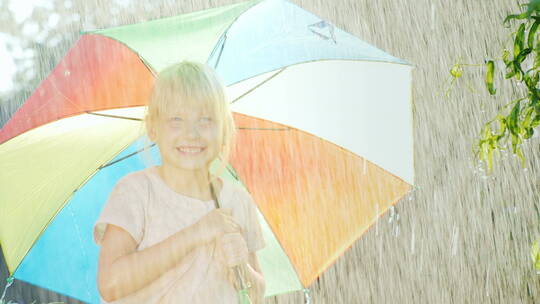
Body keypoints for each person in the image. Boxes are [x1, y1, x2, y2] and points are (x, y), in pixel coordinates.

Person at [93, 60, 266, 303]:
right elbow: (111, 284)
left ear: (224, 129)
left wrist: (241, 269)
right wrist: (195, 234)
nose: (192, 133)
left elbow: (257, 293)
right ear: (153, 128)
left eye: (205, 120)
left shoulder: (236, 200)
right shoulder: (136, 192)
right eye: (176, 119)